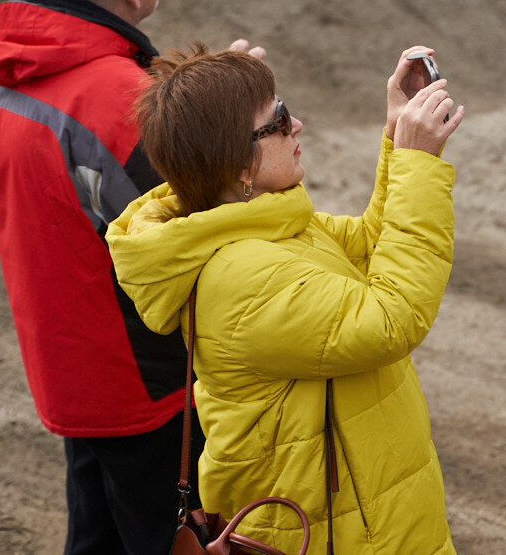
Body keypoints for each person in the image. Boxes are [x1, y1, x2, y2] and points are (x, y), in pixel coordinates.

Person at [0, 0, 261, 554]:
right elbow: (191, 232)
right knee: (165, 537)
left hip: (65, 361)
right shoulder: (117, 102)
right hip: (142, 374)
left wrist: (204, 94)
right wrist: (235, 125)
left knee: (94, 535)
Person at [106, 44, 463, 554]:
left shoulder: (259, 223)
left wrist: (394, 139)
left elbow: (364, 253)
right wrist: (417, 164)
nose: (298, 125)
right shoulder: (241, 276)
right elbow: (390, 318)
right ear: (239, 167)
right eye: (278, 120)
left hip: (364, 516)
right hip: (332, 534)